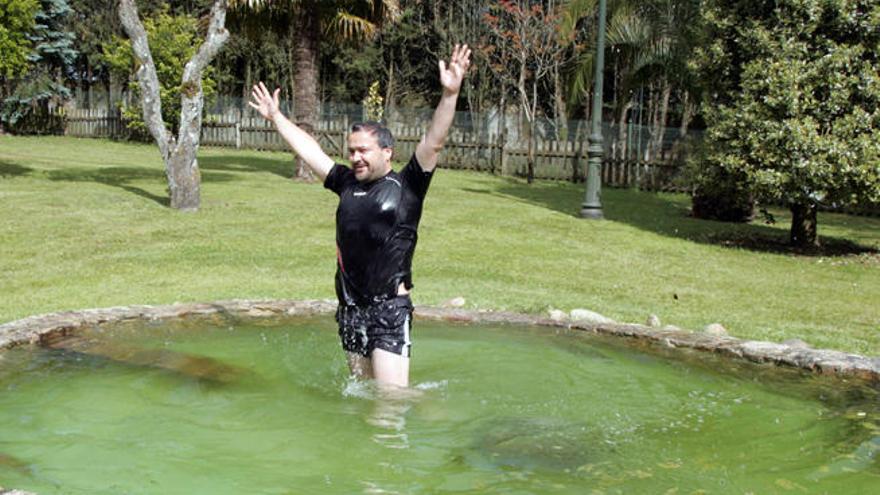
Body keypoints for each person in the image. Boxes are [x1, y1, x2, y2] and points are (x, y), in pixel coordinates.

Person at [249, 44, 472, 388]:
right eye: (351, 150)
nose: (355, 157)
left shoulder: (407, 186)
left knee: (391, 401)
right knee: (362, 394)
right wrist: (277, 117)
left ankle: (430, 412)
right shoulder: (345, 183)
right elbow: (311, 151)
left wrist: (450, 93)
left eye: (363, 150)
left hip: (389, 309)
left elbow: (434, 141)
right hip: (351, 308)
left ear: (386, 152)